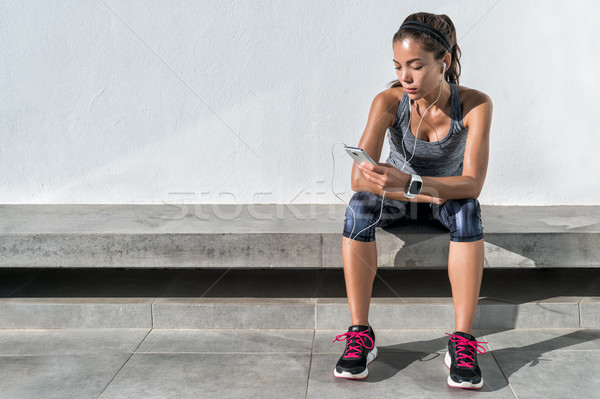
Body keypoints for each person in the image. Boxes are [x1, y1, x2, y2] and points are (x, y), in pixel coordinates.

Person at [331, 12, 492, 389]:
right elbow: (358, 176)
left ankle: (463, 340)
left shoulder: (475, 105)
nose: (405, 76)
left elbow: (472, 184)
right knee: (358, 207)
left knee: (469, 211)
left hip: (445, 200)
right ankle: (360, 333)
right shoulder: (389, 101)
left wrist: (414, 182)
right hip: (401, 199)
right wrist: (406, 188)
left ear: (444, 62)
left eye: (416, 66)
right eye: (399, 66)